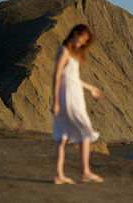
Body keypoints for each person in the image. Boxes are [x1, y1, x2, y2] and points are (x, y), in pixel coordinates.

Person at [51, 24, 104, 184]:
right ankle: (85, 171)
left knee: (64, 136)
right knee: (86, 130)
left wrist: (91, 88)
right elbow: (56, 76)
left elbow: (73, 78)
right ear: (75, 33)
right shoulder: (65, 51)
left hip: (71, 94)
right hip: (69, 96)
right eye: (83, 39)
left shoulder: (71, 53)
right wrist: (55, 102)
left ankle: (59, 175)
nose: (82, 44)